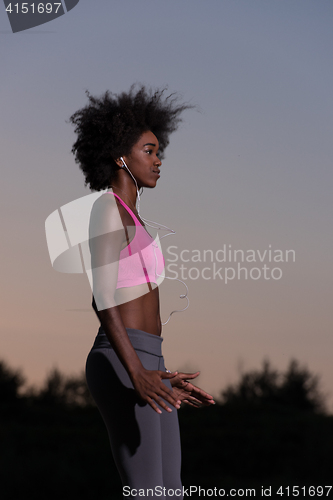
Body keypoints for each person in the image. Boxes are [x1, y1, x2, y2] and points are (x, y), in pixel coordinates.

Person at [69, 85, 215, 499]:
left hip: (150, 362)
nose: (158, 160)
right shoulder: (106, 209)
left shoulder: (138, 219)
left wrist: (161, 378)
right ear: (120, 156)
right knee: (150, 492)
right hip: (121, 360)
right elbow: (102, 296)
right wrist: (136, 371)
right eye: (148, 151)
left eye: (158, 151)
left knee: (171, 491)